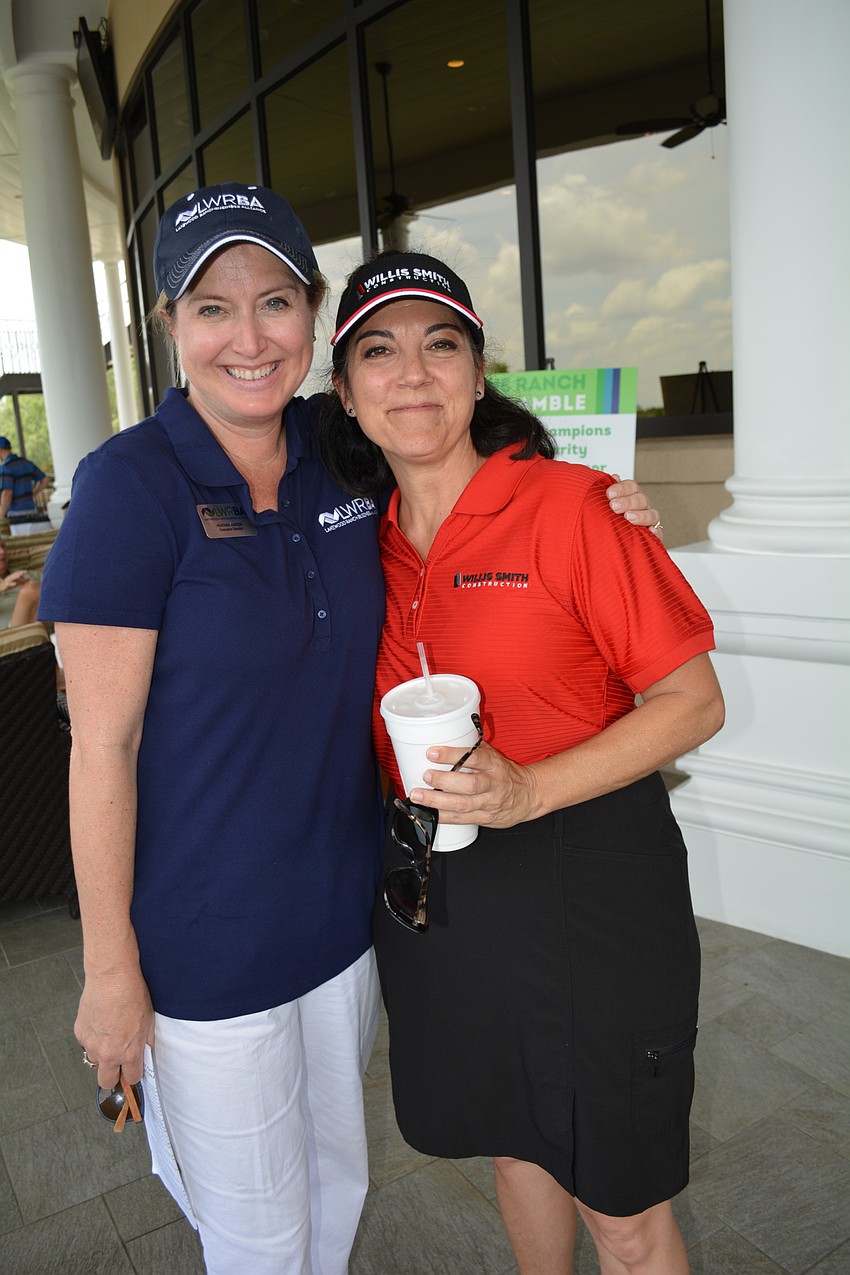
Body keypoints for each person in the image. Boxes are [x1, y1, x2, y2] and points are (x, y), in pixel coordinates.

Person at [37, 184, 661, 1275]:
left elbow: (463, 437)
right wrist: (107, 972)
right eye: (212, 308)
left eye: (274, 302)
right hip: (202, 949)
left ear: (312, 321)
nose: (247, 337)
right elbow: (104, 749)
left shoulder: (336, 450)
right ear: (169, 325)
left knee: (335, 1194)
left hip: (344, 929)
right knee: (262, 1241)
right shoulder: (127, 487)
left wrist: (598, 498)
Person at [320, 250, 725, 1275]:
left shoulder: (574, 508)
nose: (411, 371)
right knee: (514, 1143)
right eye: (379, 350)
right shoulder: (359, 544)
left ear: (477, 370)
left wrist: (530, 786)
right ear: (345, 391)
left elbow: (692, 703)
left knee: (621, 1207)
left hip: (590, 879)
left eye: (439, 343)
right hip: (442, 890)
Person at [0, 436, 50, 534]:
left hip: (17, 517)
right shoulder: (26, 463)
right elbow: (45, 479)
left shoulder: (6, 467)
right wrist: (34, 493)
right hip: (32, 511)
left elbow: (7, 493)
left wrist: (1, 516)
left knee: (21, 547)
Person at [0, 537, 41, 629]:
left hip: (41, 624)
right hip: (7, 634)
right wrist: (2, 586)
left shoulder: (27, 574)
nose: (2, 552)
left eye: (3, 547)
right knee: (31, 591)